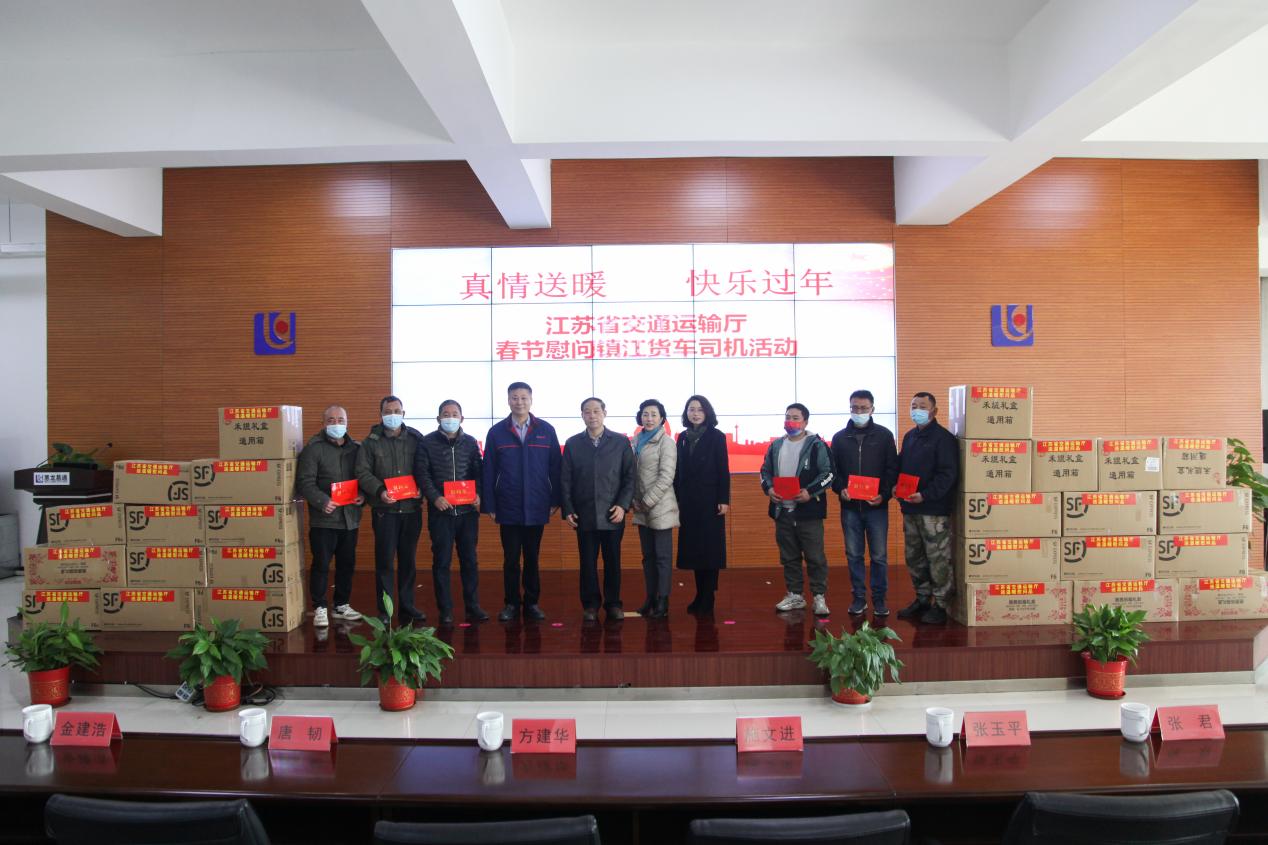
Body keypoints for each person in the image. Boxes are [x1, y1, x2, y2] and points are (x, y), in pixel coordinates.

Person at [483, 382, 561, 622]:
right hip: (508, 505)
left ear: (531, 400)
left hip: (537, 504)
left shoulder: (546, 430)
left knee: (532, 558)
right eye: (515, 398)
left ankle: (532, 603)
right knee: (510, 559)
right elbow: (488, 470)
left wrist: (555, 499)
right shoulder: (496, 432)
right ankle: (511, 604)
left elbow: (556, 468)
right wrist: (490, 505)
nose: (519, 402)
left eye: (523, 398)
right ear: (508, 400)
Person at [561, 397, 635, 622]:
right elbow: (565, 479)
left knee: (613, 562)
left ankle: (613, 604)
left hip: (613, 513)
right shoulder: (573, 443)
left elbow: (630, 477)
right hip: (584, 514)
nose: (592, 415)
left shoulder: (620, 442)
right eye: (587, 411)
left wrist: (623, 505)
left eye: (596, 411)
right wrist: (568, 509)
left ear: (604, 413)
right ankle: (590, 605)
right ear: (582, 415)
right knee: (587, 563)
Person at [415, 399, 486, 625]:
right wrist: (435, 497)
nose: (450, 418)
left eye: (454, 414)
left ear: (462, 418)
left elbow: (479, 472)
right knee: (442, 563)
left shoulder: (471, 443)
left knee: (470, 561)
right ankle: (445, 610)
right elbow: (422, 474)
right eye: (446, 414)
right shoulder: (427, 443)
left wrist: (479, 494)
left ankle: (473, 606)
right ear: (438, 418)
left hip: (467, 513)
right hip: (441, 513)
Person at [356, 395, 426, 625]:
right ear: (381, 414)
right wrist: (379, 491)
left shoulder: (416, 439)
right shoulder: (370, 443)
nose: (393, 415)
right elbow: (362, 472)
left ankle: (407, 605)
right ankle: (385, 610)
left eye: (397, 411)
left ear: (403, 413)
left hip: (411, 510)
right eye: (388, 411)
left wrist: (422, 489)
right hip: (384, 511)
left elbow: (425, 468)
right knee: (385, 562)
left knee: (408, 561)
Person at [760, 403, 835, 616]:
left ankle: (819, 597)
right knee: (789, 556)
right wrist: (769, 488)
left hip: (809, 512)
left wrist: (809, 492)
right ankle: (795, 595)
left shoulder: (817, 445)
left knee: (815, 557)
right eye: (787, 417)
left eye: (795, 418)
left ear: (805, 422)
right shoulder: (776, 445)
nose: (790, 421)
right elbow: (764, 471)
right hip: (782, 511)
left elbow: (829, 474)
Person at [830, 389, 899, 617]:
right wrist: (840, 489)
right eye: (855, 407)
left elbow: (892, 469)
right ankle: (859, 598)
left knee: (879, 556)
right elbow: (833, 471)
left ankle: (879, 599)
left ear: (872, 409)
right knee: (854, 555)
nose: (858, 411)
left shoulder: (884, 436)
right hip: (850, 507)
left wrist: (884, 495)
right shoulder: (839, 438)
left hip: (876, 507)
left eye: (863, 408)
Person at [295, 405, 365, 628]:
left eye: (340, 420)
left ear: (347, 422)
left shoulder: (357, 448)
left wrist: (362, 496)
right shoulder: (313, 449)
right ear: (324, 423)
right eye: (331, 420)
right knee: (321, 565)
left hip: (350, 518)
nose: (337, 424)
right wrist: (322, 501)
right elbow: (304, 482)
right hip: (324, 519)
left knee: (347, 564)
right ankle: (320, 607)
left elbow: (364, 477)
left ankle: (341, 604)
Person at [895, 391, 959, 625]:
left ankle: (941, 604)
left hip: (934, 510)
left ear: (934, 411)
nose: (917, 410)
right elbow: (901, 465)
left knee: (938, 558)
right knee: (914, 557)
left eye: (922, 406)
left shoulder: (944, 439)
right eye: (914, 406)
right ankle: (922, 598)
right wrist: (895, 486)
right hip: (910, 508)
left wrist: (925, 495)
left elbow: (948, 475)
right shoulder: (910, 436)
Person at [674, 395, 730, 615]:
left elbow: (723, 470)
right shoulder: (682, 437)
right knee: (695, 550)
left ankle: (708, 596)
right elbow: (678, 470)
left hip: (710, 501)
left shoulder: (717, 437)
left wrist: (724, 499)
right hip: (688, 502)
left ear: (707, 412)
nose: (695, 413)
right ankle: (699, 594)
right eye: (691, 409)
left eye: (699, 409)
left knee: (710, 550)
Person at [631, 398, 679, 619]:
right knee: (648, 557)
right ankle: (650, 598)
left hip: (660, 507)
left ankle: (663, 600)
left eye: (653, 414)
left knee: (662, 557)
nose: (649, 418)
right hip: (640, 506)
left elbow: (667, 476)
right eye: (645, 414)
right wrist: (634, 500)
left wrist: (647, 500)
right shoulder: (635, 440)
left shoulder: (666, 442)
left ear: (662, 419)